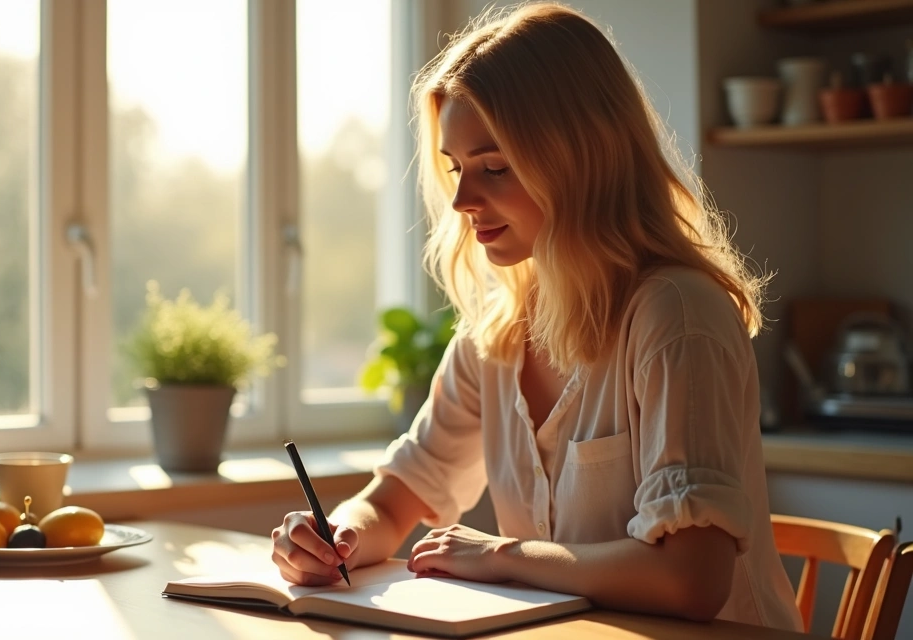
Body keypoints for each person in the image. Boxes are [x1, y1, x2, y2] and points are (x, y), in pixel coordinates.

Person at [271, 2, 802, 630]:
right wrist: (336, 537)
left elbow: (690, 579)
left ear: (584, 157)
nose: (464, 201)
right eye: (456, 169)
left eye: (494, 167)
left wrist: (504, 555)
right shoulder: (493, 336)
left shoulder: (675, 316)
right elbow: (394, 500)